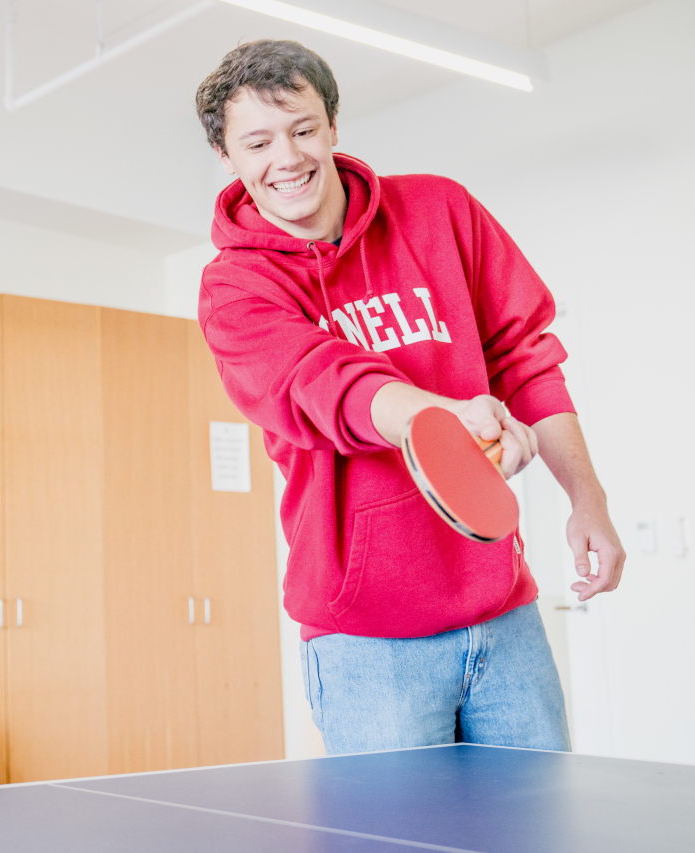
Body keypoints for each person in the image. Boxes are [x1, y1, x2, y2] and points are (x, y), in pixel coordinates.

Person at [193, 41, 624, 754]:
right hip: (365, 639)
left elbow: (526, 355)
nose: (288, 157)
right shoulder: (235, 287)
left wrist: (588, 499)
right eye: (258, 142)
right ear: (227, 155)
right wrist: (440, 416)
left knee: (542, 827)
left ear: (332, 125)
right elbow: (320, 382)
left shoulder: (439, 211)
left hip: (503, 608)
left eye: (302, 129)